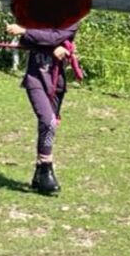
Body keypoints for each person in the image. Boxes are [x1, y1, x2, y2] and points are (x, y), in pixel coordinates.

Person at [6, 21, 81, 195]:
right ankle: (47, 168)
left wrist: (64, 47)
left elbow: (54, 37)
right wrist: (53, 46)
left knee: (47, 126)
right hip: (36, 78)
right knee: (48, 121)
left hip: (57, 82)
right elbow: (27, 42)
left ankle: (39, 174)